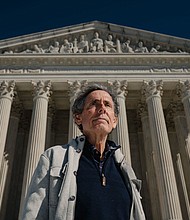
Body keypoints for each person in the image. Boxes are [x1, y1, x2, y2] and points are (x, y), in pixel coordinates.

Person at [22, 84, 146, 220]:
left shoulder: (125, 170)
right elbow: (33, 215)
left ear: (114, 121)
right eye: (94, 104)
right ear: (78, 118)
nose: (102, 109)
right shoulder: (53, 158)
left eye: (107, 105)